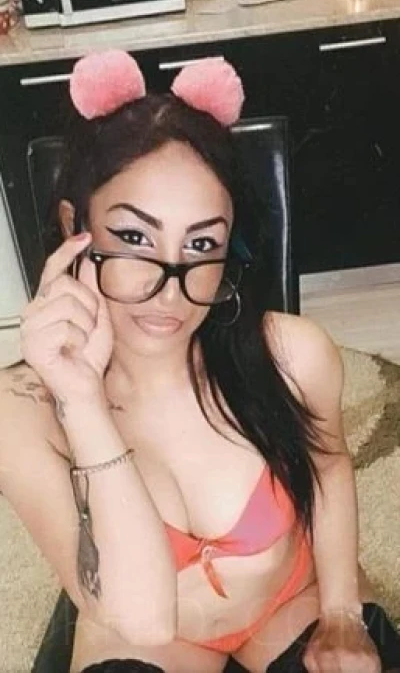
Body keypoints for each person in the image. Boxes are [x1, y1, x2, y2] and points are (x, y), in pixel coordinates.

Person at [0, 49, 399, 673]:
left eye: (201, 243)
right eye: (134, 237)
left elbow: (329, 464)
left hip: (289, 600)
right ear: (76, 225)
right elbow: (144, 620)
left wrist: (343, 613)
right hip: (151, 637)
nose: (168, 287)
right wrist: (81, 401)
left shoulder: (292, 355)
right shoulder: (19, 411)